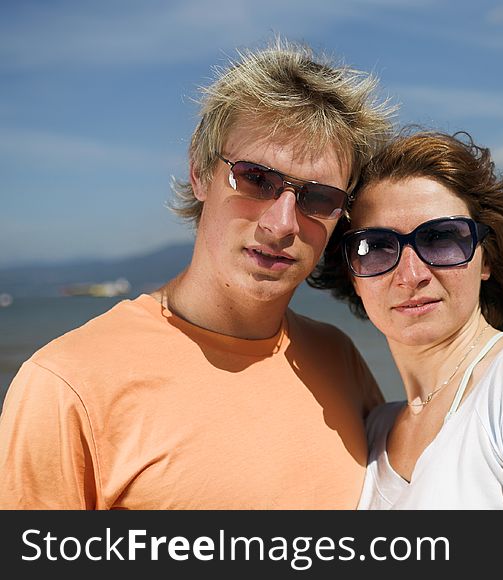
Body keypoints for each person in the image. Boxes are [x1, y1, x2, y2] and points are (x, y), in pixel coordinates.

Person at [0, 38, 395, 509]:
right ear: (199, 171)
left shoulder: (338, 358)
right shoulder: (65, 384)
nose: (281, 223)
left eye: (318, 198)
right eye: (256, 179)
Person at [309, 130, 503, 509]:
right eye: (375, 247)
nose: (411, 274)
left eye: (441, 239)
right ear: (352, 275)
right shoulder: (374, 432)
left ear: (486, 259)